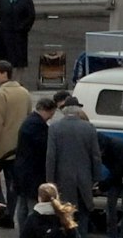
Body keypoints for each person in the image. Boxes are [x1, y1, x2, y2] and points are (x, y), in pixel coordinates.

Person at [45, 97, 105, 228]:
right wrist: (96, 178)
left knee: (64, 214)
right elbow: (95, 155)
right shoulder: (89, 128)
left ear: (64, 111)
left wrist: (50, 180)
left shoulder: (55, 128)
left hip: (63, 179)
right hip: (84, 179)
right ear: (79, 110)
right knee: (83, 214)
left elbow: (51, 156)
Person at [0, 61, 31, 198]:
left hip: (4, 147)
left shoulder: (0, 94)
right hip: (21, 144)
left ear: (5, 74)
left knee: (0, 181)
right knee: (15, 181)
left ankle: (7, 210)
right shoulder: (24, 92)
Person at [11, 94, 58, 226]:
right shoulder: (37, 125)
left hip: (22, 171)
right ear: (46, 110)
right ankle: (31, 233)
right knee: (32, 207)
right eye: (51, 113)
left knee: (23, 205)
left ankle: (24, 234)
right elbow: (44, 147)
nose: (51, 117)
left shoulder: (29, 121)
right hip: (32, 173)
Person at [0, 0, 36, 68]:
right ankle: (7, 79)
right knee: (6, 60)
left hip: (19, 35)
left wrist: (23, 28)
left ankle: (17, 81)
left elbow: (31, 15)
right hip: (5, 34)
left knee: (19, 60)